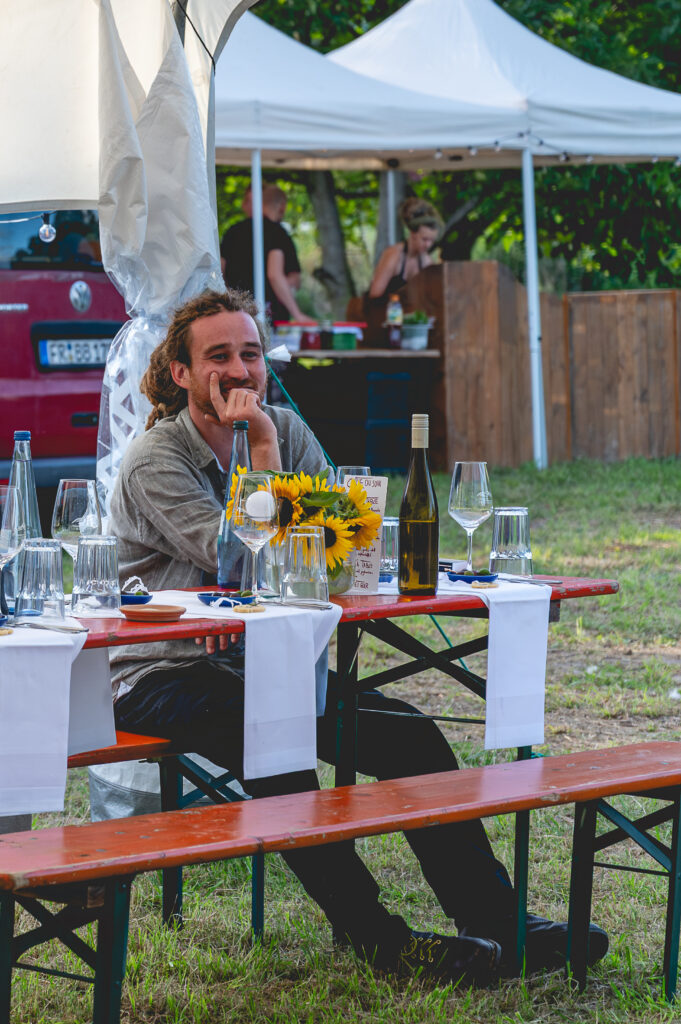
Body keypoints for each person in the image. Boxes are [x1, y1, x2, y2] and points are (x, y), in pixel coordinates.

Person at [108, 288, 608, 986]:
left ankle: (498, 921)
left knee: (412, 734)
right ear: (181, 373)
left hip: (264, 660)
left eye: (250, 353)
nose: (239, 370)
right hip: (161, 672)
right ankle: (380, 942)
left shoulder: (285, 425)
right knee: (277, 752)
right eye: (218, 356)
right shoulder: (157, 459)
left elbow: (345, 543)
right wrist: (265, 453)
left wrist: (289, 539)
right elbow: (244, 558)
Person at [220, 184, 313, 324]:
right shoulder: (278, 233)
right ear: (282, 207)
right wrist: (297, 314)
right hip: (270, 316)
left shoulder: (232, 232)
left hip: (237, 315)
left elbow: (220, 271)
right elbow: (275, 275)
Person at [368, 197, 443, 302]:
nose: (428, 245)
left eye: (431, 241)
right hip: (386, 310)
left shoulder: (426, 262)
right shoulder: (394, 255)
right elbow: (375, 294)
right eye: (424, 239)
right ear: (413, 234)